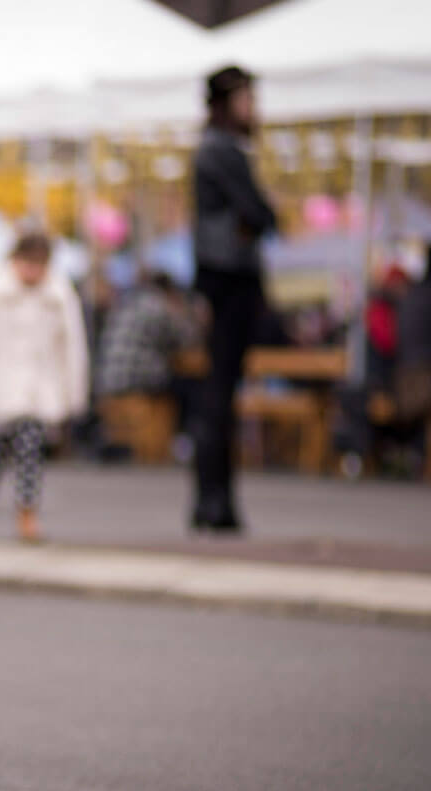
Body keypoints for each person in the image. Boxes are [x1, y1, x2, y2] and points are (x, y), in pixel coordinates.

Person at [0, 233, 89, 542]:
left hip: (38, 390)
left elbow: (72, 348)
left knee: (30, 454)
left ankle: (27, 513)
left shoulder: (59, 296)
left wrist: (71, 392)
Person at [189, 65, 278, 533]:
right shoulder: (222, 150)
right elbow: (258, 212)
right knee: (219, 394)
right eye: (246, 99)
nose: (254, 109)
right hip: (227, 278)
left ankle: (213, 500)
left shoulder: (219, 148)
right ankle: (214, 501)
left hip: (221, 277)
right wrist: (263, 215)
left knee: (218, 393)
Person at [98, 272, 202, 399]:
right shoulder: (158, 306)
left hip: (105, 390)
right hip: (136, 388)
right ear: (171, 292)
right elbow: (185, 342)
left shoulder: (127, 302)